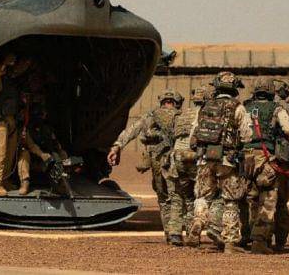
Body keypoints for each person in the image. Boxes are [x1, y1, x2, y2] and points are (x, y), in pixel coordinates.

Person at [185, 71, 252, 254]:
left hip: (204, 159)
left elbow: (192, 137)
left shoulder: (204, 106)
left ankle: (197, 224)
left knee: (202, 196)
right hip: (227, 161)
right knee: (230, 200)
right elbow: (247, 135)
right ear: (234, 88)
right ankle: (230, 241)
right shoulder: (238, 107)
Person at [108, 89, 182, 243]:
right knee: (176, 195)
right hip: (174, 160)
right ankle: (175, 232)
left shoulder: (150, 116)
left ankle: (169, 233)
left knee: (163, 198)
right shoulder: (181, 116)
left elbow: (131, 131)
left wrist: (117, 147)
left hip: (156, 159)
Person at [243, 77, 289, 254]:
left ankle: (248, 236)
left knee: (251, 199)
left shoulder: (245, 107)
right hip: (266, 158)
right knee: (268, 200)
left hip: (245, 159)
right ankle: (260, 241)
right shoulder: (277, 109)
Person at [0, 52, 33, 195]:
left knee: (11, 151)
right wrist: (3, 65)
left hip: (11, 118)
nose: (24, 67)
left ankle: (4, 179)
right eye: (23, 63)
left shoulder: (16, 81)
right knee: (0, 149)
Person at [163, 86, 205, 245]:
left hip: (177, 158)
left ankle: (174, 233)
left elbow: (170, 137)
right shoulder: (207, 114)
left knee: (176, 196)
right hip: (194, 157)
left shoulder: (180, 114)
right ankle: (191, 231)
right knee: (194, 196)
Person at [16, 76, 69, 195]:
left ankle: (58, 183)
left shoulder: (47, 129)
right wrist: (42, 154)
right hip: (33, 159)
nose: (43, 115)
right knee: (24, 154)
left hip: (45, 161)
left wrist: (60, 154)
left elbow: (55, 144)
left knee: (60, 155)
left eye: (44, 113)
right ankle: (25, 182)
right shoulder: (26, 128)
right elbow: (30, 145)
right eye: (40, 113)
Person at [272, 78, 289, 250]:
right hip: (283, 160)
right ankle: (280, 239)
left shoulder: (255, 105)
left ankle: (258, 237)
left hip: (262, 157)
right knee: (281, 202)